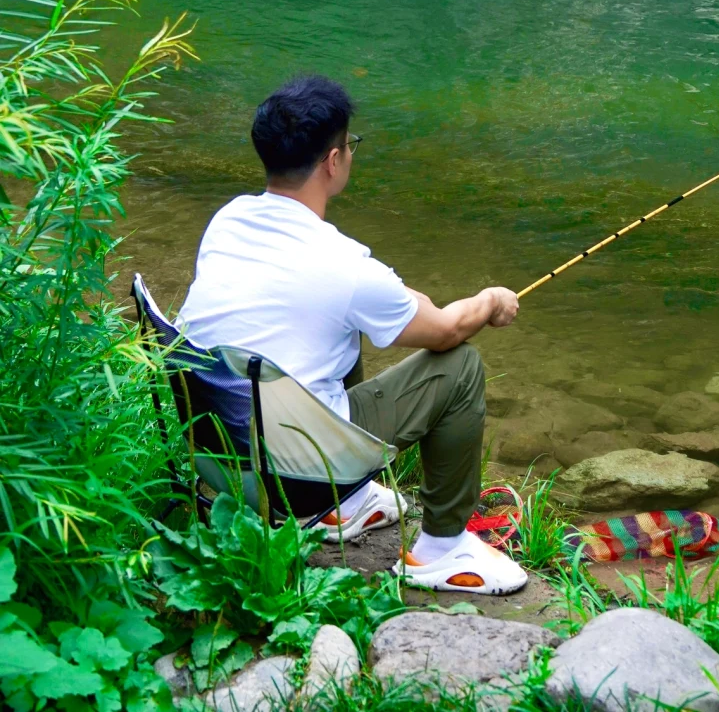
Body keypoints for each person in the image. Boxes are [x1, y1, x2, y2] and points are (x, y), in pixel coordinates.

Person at [177, 74, 529, 595]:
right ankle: (442, 548)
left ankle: (348, 507)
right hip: (293, 482)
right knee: (461, 367)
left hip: (216, 462)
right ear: (333, 161)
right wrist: (491, 301)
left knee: (329, 336)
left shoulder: (227, 221)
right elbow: (447, 330)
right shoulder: (343, 266)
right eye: (349, 144)